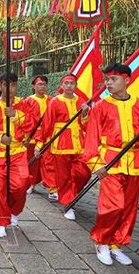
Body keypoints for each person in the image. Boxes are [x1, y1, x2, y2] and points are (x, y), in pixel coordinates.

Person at [82, 63, 139, 266]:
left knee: (129, 208)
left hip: (135, 162)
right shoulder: (101, 108)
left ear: (127, 80)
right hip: (111, 162)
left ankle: (116, 244)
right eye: (106, 80)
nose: (108, 83)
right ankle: (101, 241)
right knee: (113, 205)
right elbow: (91, 138)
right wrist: (96, 163)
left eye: (113, 79)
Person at [0, 72, 34, 237]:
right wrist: (0, 137)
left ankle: (13, 210)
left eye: (13, 85)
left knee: (22, 183)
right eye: (6, 85)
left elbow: (32, 125)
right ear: (1, 86)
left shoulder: (23, 105)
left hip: (18, 151)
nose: (10, 88)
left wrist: (16, 116)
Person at [36, 74, 91, 221]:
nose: (69, 86)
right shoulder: (55, 102)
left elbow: (86, 125)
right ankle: (68, 203)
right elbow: (47, 124)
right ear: (61, 85)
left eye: (72, 83)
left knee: (84, 172)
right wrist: (40, 143)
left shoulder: (81, 101)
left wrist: (85, 114)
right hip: (60, 143)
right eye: (66, 83)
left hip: (79, 142)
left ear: (76, 85)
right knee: (64, 176)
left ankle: (71, 194)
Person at [24, 76, 57, 200]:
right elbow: (25, 120)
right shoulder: (29, 100)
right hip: (32, 136)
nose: (42, 87)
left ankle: (52, 187)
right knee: (33, 162)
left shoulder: (51, 100)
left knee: (49, 162)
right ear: (33, 86)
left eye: (44, 84)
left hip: (48, 136)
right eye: (39, 84)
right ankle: (31, 183)